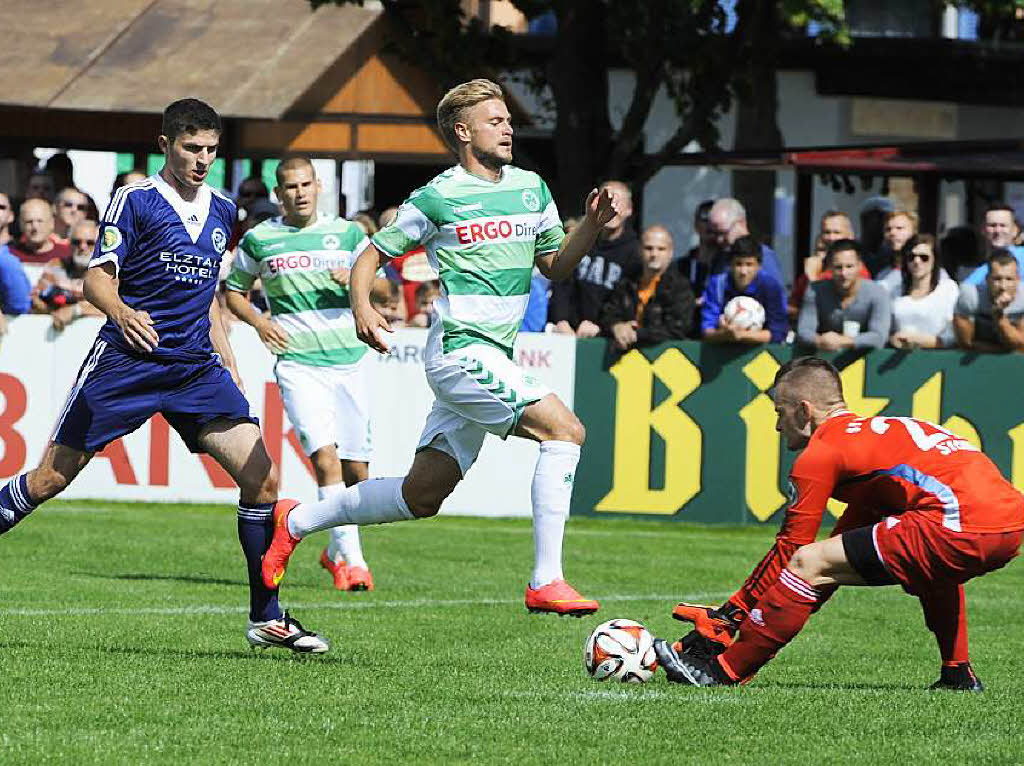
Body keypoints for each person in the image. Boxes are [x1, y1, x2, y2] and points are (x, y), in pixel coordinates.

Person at [261, 78, 619, 616]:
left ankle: (296, 521)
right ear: (463, 131)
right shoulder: (438, 195)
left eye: (507, 120)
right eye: (495, 120)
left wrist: (589, 226)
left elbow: (556, 266)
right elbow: (370, 255)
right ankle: (547, 580)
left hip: (493, 356)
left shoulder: (530, 187)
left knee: (420, 497)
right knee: (565, 431)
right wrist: (362, 307)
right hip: (460, 351)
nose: (508, 127)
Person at [0, 99, 327, 654]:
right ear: (165, 145)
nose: (202, 160)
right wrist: (123, 312)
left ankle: (266, 616)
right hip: (126, 363)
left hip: (194, 368)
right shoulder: (136, 200)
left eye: (210, 150)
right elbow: (97, 282)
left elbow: (209, 304)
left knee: (263, 478)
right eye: (191, 149)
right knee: (49, 480)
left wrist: (229, 363)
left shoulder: (224, 211)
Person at [653, 356, 1023, 689]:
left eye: (778, 412)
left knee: (806, 562)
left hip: (959, 521)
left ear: (803, 410)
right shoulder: (876, 438)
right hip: (1009, 522)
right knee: (929, 571)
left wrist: (729, 617)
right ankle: (957, 673)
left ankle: (721, 672)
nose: (777, 426)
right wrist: (736, 615)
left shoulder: (822, 452)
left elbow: (793, 553)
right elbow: (836, 559)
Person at [226, 155, 387, 593]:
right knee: (324, 458)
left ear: (318, 187)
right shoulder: (261, 239)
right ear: (278, 194)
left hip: (350, 361)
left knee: (359, 473)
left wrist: (357, 279)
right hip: (298, 363)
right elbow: (233, 292)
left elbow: (387, 287)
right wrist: (259, 322)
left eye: (305, 185)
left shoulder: (349, 234)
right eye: (289, 187)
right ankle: (352, 562)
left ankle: (334, 549)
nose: (298, 193)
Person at [548, 179, 639, 338]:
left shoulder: (635, 251)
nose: (611, 208)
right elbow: (562, 279)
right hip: (567, 332)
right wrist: (561, 319)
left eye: (618, 202)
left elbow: (628, 299)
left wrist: (603, 327)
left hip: (606, 336)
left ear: (630, 210)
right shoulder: (581, 239)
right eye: (606, 201)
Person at [599, 225, 694, 350]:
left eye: (661, 249)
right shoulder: (627, 281)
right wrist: (616, 326)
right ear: (639, 250)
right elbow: (608, 312)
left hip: (666, 360)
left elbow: (677, 328)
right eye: (648, 248)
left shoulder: (681, 287)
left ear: (670, 253)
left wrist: (636, 334)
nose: (654, 254)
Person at [797, 239, 890, 350]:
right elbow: (804, 332)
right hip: (823, 358)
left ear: (860, 266)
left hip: (865, 362)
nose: (844, 273)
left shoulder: (878, 293)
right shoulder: (815, 291)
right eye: (838, 267)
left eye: (849, 266)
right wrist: (820, 341)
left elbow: (879, 337)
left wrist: (843, 342)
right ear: (830, 267)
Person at [700, 235, 787, 345]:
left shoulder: (771, 287)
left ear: (759, 266)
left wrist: (741, 335)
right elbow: (707, 331)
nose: (743, 271)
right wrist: (725, 334)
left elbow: (778, 333)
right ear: (730, 265)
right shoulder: (717, 285)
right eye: (738, 264)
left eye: (749, 265)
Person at [31, 219, 104, 330]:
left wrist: (76, 310)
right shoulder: (55, 266)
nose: (82, 247)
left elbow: (117, 309)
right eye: (76, 242)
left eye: (90, 243)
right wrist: (52, 309)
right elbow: (35, 301)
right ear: (69, 244)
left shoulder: (109, 273)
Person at [888, 234, 958, 350]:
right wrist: (893, 339)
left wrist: (922, 341)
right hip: (900, 357)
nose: (917, 261)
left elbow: (954, 336)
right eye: (911, 257)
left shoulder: (948, 288)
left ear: (934, 260)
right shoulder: (894, 291)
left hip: (938, 357)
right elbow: (887, 330)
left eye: (924, 257)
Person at [953, 249, 1024, 353]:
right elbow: (966, 343)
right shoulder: (970, 296)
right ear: (987, 279)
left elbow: (1020, 345)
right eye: (997, 279)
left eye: (1009, 279)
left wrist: (999, 318)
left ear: (1018, 280)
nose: (1003, 287)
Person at [705, 198, 785, 287]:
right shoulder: (720, 257)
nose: (719, 239)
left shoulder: (764, 256)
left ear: (741, 223)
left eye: (723, 233)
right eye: (715, 233)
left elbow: (774, 297)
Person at [962, 204, 1024, 285]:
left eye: (1003, 225)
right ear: (982, 229)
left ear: (1015, 230)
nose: (998, 231)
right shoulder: (976, 272)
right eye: (992, 225)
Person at [9, 198, 73, 265]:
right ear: (21, 225)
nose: (35, 227)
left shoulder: (66, 254)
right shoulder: (10, 255)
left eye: (40, 221)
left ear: (51, 223)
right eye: (29, 222)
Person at [873, 210, 917, 281]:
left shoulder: (927, 273)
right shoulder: (881, 276)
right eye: (888, 229)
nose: (892, 233)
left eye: (899, 228)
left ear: (914, 232)